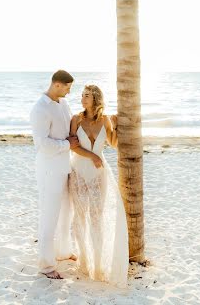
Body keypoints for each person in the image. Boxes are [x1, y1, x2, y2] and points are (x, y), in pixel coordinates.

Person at [29, 70, 92, 279]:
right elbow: (42, 143)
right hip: (49, 169)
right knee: (49, 216)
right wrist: (67, 144)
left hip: (65, 166)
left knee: (66, 212)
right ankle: (46, 266)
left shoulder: (63, 104)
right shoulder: (40, 109)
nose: (69, 91)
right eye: (67, 87)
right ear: (57, 85)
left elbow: (70, 129)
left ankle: (63, 251)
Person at [69, 85, 129, 287]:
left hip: (98, 174)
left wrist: (120, 124)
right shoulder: (76, 119)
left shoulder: (105, 120)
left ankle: (97, 264)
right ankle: (84, 261)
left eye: (86, 96)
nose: (82, 99)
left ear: (95, 99)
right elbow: (73, 145)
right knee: (80, 215)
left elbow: (113, 143)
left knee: (97, 217)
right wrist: (93, 155)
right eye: (82, 96)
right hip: (78, 172)